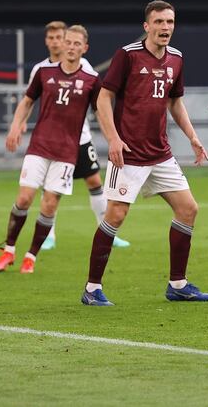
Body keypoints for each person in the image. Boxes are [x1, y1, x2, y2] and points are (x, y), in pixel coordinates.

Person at [81, 0, 208, 306]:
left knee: (188, 209)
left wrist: (193, 137)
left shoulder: (176, 59)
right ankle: (91, 289)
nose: (165, 27)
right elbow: (103, 99)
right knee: (116, 214)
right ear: (147, 26)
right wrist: (112, 139)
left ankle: (178, 284)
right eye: (159, 22)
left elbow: (175, 102)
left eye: (170, 22)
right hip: (128, 153)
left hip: (161, 153)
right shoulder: (127, 55)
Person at [0, 25, 101, 274]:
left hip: (68, 152)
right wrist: (15, 126)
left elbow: (102, 111)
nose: (71, 47)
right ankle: (8, 250)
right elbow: (28, 100)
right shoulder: (43, 71)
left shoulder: (91, 79)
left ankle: (31, 256)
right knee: (23, 198)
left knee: (50, 205)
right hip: (39, 146)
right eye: (67, 42)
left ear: (84, 48)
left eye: (76, 43)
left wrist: (116, 137)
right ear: (61, 44)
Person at [24, 21, 131, 251]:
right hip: (53, 142)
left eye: (59, 37)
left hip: (80, 139)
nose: (56, 42)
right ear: (49, 41)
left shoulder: (85, 67)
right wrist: (20, 123)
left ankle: (107, 232)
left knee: (94, 181)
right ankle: (49, 236)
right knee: (51, 190)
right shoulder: (41, 70)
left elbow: (97, 100)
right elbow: (30, 100)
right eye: (52, 38)